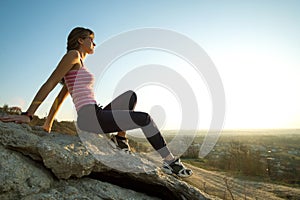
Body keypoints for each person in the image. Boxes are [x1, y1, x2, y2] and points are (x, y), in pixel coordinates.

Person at [0, 27, 192, 177]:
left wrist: (48, 123)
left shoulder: (79, 64)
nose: (94, 43)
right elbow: (50, 83)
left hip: (96, 113)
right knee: (144, 118)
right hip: (90, 117)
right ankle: (170, 163)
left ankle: (120, 140)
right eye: (91, 39)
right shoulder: (72, 55)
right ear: (80, 40)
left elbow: (61, 97)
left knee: (130, 96)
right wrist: (28, 115)